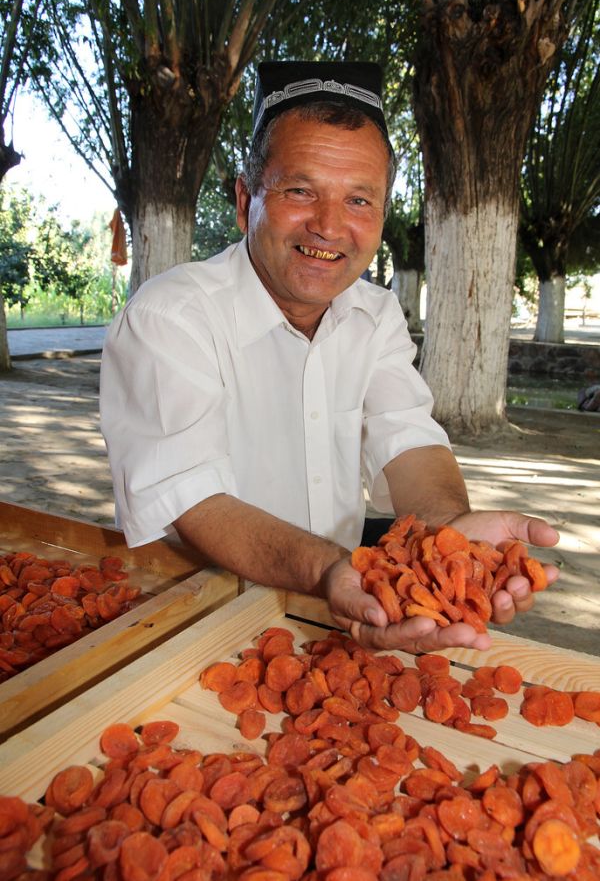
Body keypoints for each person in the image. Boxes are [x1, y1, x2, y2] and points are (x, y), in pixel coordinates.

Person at [100, 61, 559, 654]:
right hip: (194, 624)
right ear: (246, 202)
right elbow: (191, 500)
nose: (330, 225)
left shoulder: (374, 313)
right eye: (300, 191)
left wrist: (450, 532)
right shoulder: (170, 318)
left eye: (359, 200)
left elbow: (406, 438)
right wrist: (329, 570)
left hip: (336, 619)